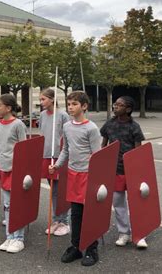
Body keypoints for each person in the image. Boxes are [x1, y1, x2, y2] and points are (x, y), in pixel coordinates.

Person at [49, 91, 102, 267]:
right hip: (73, 174)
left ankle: (92, 248)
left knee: (90, 212)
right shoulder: (67, 126)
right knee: (76, 213)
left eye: (74, 104)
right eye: (69, 104)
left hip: (88, 175)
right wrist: (57, 165)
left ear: (84, 106)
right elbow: (66, 150)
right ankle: (76, 246)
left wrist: (94, 162)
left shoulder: (91, 128)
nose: (70, 107)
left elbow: (97, 154)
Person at [100, 96, 147, 249]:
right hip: (115, 171)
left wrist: (139, 172)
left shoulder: (134, 127)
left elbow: (138, 151)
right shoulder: (109, 125)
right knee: (118, 203)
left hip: (132, 171)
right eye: (115, 104)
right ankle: (124, 233)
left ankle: (139, 234)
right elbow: (103, 146)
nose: (115, 107)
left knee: (136, 203)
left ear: (128, 109)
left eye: (119, 105)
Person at [0, 94, 27, 253]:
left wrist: (24, 171)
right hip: (4, 169)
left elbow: (24, 149)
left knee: (16, 204)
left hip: (17, 170)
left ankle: (19, 238)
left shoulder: (18, 124)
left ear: (8, 108)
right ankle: (10, 236)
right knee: (7, 205)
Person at [39, 88, 71, 236]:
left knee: (60, 190)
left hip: (59, 156)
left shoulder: (63, 115)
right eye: (40, 99)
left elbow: (68, 136)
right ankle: (57, 220)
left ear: (52, 99)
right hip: (46, 156)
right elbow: (41, 135)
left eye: (43, 99)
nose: (41, 102)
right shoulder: (42, 115)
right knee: (53, 190)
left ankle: (63, 221)